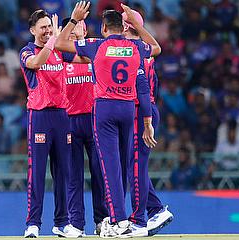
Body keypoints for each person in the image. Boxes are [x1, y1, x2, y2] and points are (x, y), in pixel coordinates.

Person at [55, 2, 159, 238]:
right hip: (127, 109)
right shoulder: (135, 46)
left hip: (105, 109)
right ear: (122, 28)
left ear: (103, 28)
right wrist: (134, 22)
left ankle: (118, 221)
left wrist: (73, 19)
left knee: (110, 168)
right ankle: (124, 218)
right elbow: (156, 48)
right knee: (124, 166)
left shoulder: (96, 46)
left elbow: (60, 45)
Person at [19, 9, 87, 238]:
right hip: (39, 116)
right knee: (37, 173)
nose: (48, 31)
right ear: (32, 30)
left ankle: (61, 223)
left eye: (50, 27)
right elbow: (36, 63)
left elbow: (84, 58)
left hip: (61, 116)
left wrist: (98, 50)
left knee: (63, 173)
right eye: (43, 28)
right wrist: (55, 41)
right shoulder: (27, 51)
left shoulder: (59, 51)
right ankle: (33, 224)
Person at [122, 9, 174, 237]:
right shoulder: (143, 49)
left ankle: (139, 220)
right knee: (134, 167)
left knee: (135, 167)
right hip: (139, 110)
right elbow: (157, 47)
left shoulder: (137, 49)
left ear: (126, 26)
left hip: (141, 111)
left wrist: (146, 120)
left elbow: (157, 48)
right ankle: (156, 209)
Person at [60, 17, 107, 236]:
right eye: (69, 28)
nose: (74, 30)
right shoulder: (61, 56)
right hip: (70, 121)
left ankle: (103, 221)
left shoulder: (96, 50)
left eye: (78, 25)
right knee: (74, 176)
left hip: (95, 119)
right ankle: (76, 224)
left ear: (86, 28)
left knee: (100, 173)